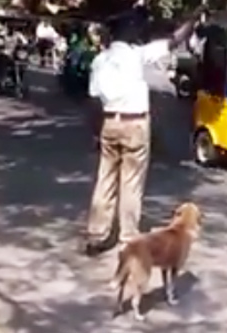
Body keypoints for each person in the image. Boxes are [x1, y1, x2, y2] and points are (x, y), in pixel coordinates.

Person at [84, 4, 207, 255]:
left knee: (105, 180)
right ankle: (128, 237)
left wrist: (96, 132)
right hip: (135, 124)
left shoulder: (99, 60)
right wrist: (194, 17)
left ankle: (97, 234)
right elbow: (174, 40)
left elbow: (94, 100)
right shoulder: (136, 54)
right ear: (127, 30)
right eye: (136, 27)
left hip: (109, 122)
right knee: (130, 182)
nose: (139, 30)